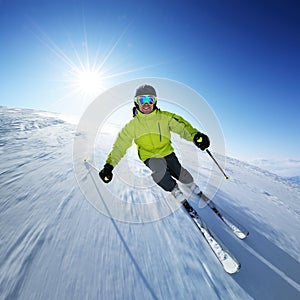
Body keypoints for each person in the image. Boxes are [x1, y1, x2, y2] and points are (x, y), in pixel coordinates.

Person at [99, 84, 210, 205]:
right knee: (160, 173)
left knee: (179, 172)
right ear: (136, 103)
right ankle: (175, 190)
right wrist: (109, 166)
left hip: (167, 152)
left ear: (155, 102)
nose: (146, 104)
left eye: (149, 99)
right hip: (149, 156)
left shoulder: (165, 117)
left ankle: (191, 185)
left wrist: (195, 136)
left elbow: (182, 127)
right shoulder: (132, 126)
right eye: (142, 100)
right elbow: (120, 146)